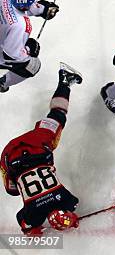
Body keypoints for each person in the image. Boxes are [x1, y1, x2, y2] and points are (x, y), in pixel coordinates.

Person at [1, 63, 82, 234]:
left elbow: (71, 210)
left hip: (38, 146)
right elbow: (25, 226)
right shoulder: (33, 216)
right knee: (12, 189)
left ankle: (65, 81)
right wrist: (33, 230)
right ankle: (65, 81)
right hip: (9, 154)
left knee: (58, 116)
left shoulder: (69, 202)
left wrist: (72, 219)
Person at [0, 0, 59, 93]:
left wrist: (43, 9)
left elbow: (25, 6)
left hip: (4, 33)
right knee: (33, 66)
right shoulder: (20, 25)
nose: (35, 2)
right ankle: (2, 83)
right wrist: (29, 50)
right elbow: (10, 55)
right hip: (4, 49)